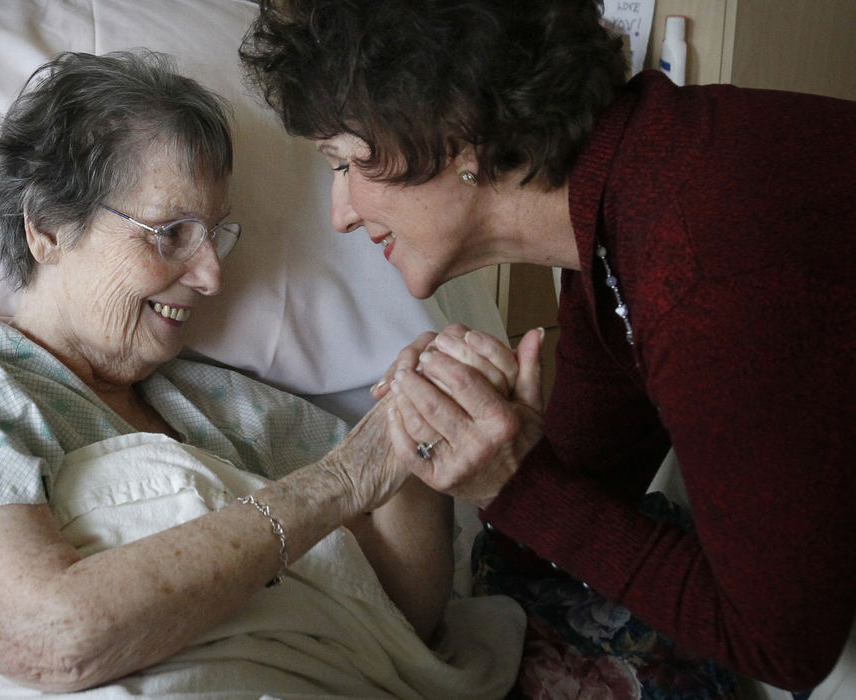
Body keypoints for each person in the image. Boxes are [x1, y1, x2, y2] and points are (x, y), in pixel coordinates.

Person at [0, 50, 524, 698]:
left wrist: (408, 431)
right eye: (170, 233)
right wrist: (338, 481)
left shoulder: (219, 405)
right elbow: (48, 639)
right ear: (47, 228)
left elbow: (398, 618)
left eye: (217, 235)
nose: (210, 274)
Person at [239, 0, 856, 693]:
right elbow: (570, 509)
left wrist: (515, 481)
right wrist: (492, 440)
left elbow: (782, 647)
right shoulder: (617, 214)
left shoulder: (696, 257)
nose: (341, 213)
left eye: (349, 162)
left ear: (456, 132)